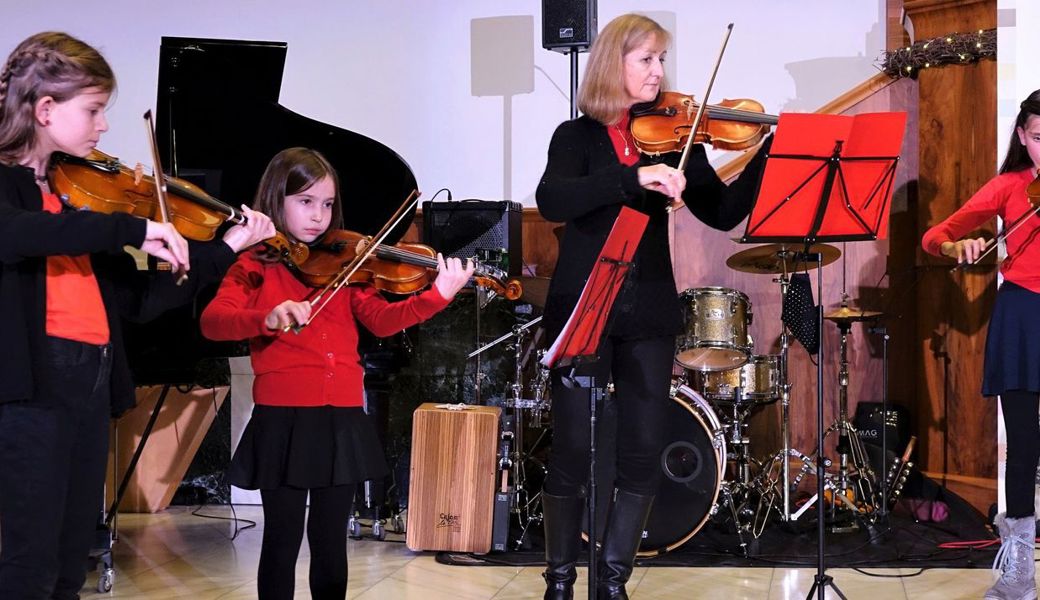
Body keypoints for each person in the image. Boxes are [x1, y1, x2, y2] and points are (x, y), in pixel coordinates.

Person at [0, 31, 275, 599]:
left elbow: (141, 300)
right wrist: (135, 228)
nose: (103, 127)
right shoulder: (14, 192)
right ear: (45, 109)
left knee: (71, 555)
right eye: (94, 110)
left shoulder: (71, 195)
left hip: (88, 388)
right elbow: (18, 234)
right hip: (31, 398)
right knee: (29, 561)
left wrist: (225, 249)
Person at [535, 13, 772, 600]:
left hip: (647, 315)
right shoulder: (578, 137)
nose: (658, 72)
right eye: (646, 59)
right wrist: (632, 178)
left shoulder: (677, 138)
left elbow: (721, 210)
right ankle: (560, 585)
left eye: (661, 60)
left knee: (640, 451)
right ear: (614, 63)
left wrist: (767, 155)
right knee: (571, 451)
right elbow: (553, 198)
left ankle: (611, 584)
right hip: (583, 308)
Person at [199, 147, 474, 599]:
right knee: (282, 542)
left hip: (342, 416)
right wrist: (266, 317)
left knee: (331, 544)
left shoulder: (347, 267)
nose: (318, 216)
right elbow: (213, 320)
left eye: (327, 204)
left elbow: (382, 319)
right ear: (276, 200)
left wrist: (438, 295)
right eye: (305, 202)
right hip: (283, 419)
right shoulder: (253, 266)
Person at [922, 90, 1040, 600]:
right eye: (1039, 138)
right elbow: (935, 234)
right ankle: (1019, 569)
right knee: (1023, 447)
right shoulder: (1011, 187)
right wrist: (958, 245)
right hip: (1022, 314)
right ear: (1022, 136)